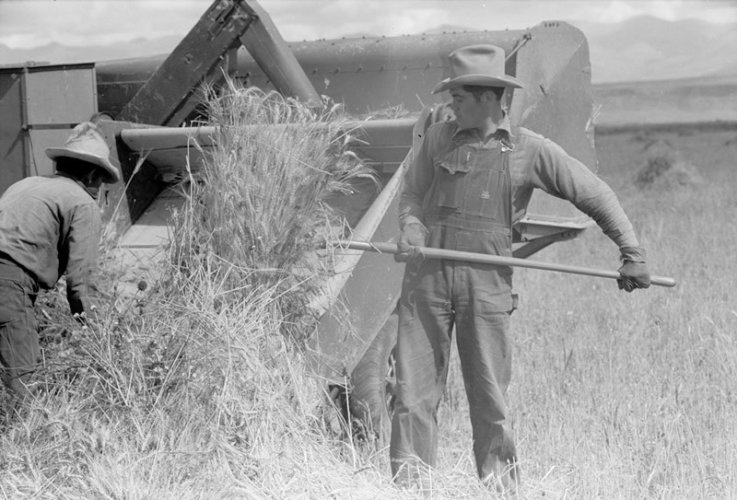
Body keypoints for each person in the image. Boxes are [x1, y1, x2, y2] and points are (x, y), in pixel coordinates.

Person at [390, 45, 651, 491]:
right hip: (425, 284)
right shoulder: (436, 139)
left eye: (459, 97)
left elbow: (594, 194)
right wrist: (412, 228)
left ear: (490, 98)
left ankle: (500, 490)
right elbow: (412, 193)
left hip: (486, 290)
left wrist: (631, 251)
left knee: (490, 404)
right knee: (411, 399)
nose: (450, 105)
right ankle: (410, 490)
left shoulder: (530, 151)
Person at [0, 121, 120, 414]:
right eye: (101, 181)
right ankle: (27, 449)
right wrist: (95, 332)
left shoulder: (25, 184)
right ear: (92, 174)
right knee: (23, 382)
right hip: (8, 281)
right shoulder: (82, 203)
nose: (99, 189)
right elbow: (81, 281)